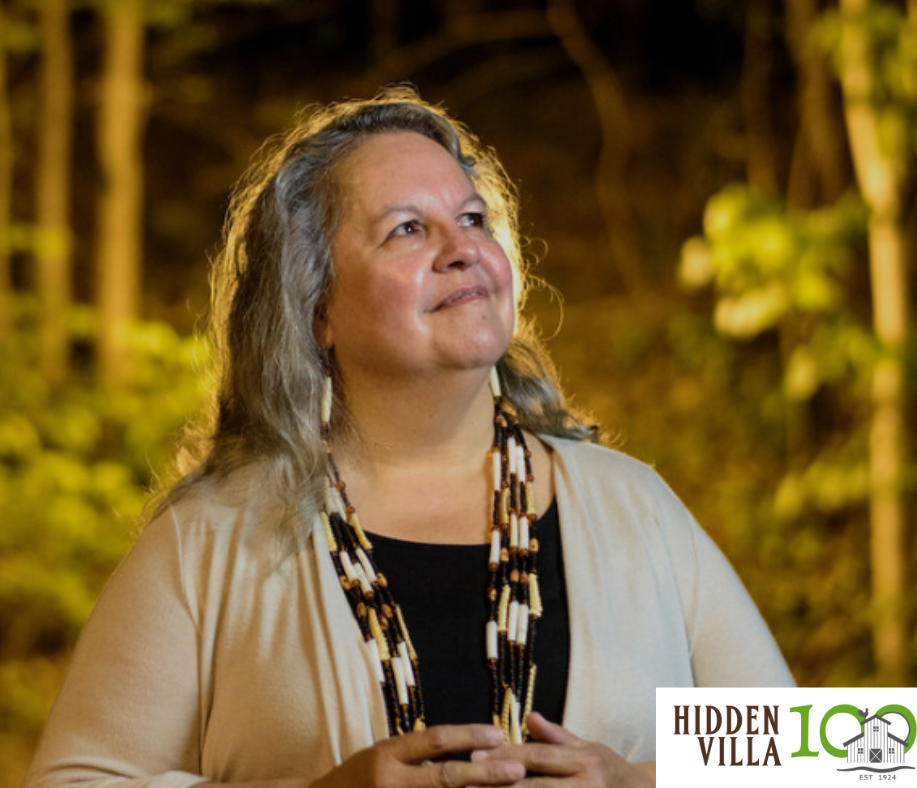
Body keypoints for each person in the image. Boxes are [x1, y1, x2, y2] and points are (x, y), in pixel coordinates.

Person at [24, 87, 793, 788]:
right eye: (406, 230)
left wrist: (637, 781)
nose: (462, 247)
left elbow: (837, 753)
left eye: (472, 219)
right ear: (317, 309)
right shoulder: (214, 541)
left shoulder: (633, 510)